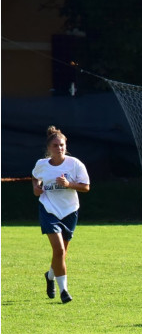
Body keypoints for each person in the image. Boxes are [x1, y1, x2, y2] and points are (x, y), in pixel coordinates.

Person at [32, 126, 90, 303]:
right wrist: (36, 187)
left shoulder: (75, 164)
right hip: (49, 209)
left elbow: (86, 187)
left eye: (62, 145)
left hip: (69, 210)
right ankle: (64, 291)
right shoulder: (42, 164)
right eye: (56, 145)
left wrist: (68, 184)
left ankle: (50, 276)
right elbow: (35, 176)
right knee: (58, 249)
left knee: (61, 254)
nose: (59, 148)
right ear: (49, 148)